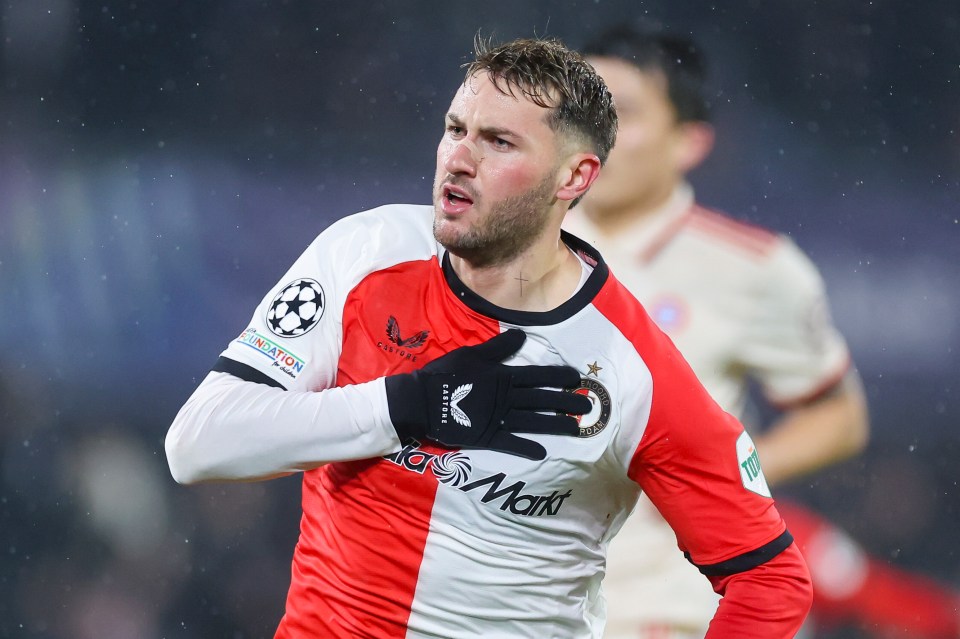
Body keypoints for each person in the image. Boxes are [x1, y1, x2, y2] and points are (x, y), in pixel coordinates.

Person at [165, 36, 812, 638]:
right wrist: (406, 406)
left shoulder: (631, 368)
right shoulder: (365, 253)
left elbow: (771, 577)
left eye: (499, 142)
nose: (459, 158)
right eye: (455, 129)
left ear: (574, 177)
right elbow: (197, 445)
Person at [567, 26, 959, 639]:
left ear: (689, 142)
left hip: (666, 606)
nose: (597, 132)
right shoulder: (509, 247)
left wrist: (726, 475)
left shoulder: (752, 268)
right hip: (524, 603)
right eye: (581, 108)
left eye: (626, 113)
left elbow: (840, 417)